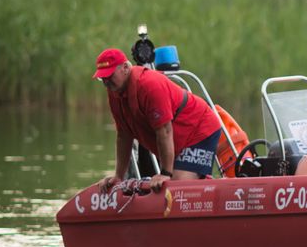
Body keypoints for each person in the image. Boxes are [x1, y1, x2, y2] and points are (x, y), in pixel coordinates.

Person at [93, 47, 223, 192]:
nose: (106, 82)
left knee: (175, 189)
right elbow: (124, 135)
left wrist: (165, 174)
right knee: (167, 187)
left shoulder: (149, 85)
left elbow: (165, 131)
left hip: (199, 129)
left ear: (125, 68)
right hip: (175, 138)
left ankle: (207, 185)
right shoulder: (114, 92)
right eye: (102, 78)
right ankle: (194, 179)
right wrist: (118, 176)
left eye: (109, 76)